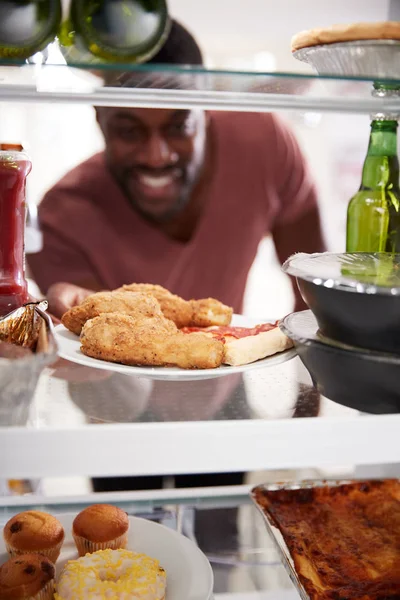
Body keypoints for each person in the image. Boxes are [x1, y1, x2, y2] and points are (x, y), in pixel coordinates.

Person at [28, 20, 325, 319]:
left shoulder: (263, 143)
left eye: (178, 127)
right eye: (129, 131)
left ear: (207, 112)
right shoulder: (59, 220)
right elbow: (105, 345)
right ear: (100, 120)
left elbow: (318, 296)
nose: (156, 157)